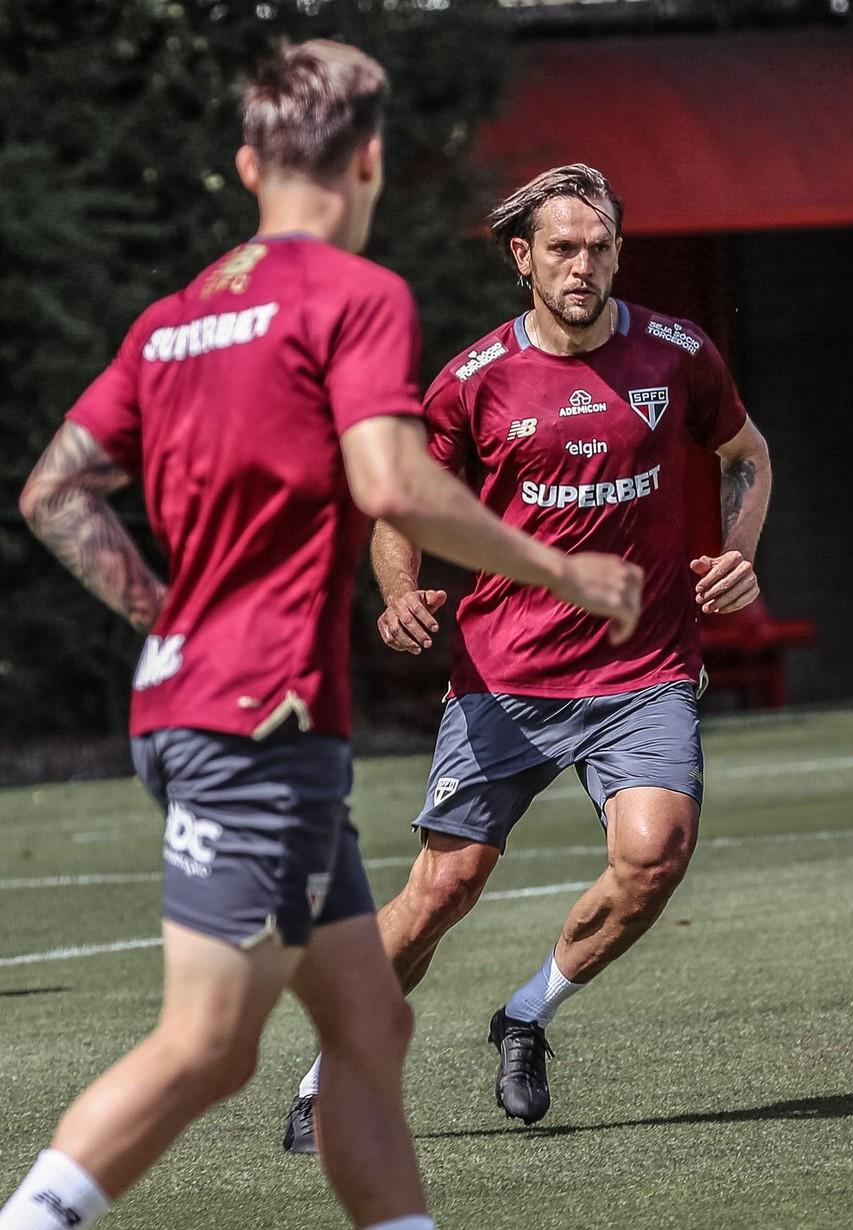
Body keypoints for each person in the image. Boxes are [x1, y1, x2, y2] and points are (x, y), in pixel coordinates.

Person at [0, 50, 642, 1230]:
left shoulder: (173, 317)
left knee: (370, 1023)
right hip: (259, 724)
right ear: (371, 160)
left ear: (246, 165)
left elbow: (53, 493)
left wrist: (166, 622)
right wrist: (562, 569)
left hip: (205, 702)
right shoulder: (352, 293)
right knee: (208, 1048)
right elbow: (393, 479)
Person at [282, 162, 772, 1148]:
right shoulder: (473, 381)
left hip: (646, 669)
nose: (581, 265)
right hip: (505, 677)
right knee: (441, 891)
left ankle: (527, 1015)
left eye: (597, 247)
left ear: (620, 252)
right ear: (524, 259)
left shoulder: (679, 355)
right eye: (561, 249)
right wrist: (397, 591)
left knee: (654, 856)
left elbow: (747, 454)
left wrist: (738, 557)